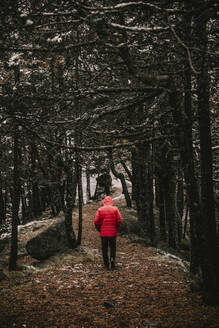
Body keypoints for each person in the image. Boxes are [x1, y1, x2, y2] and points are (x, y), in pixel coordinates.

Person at [94, 196, 122, 270]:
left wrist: (99, 229)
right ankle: (112, 260)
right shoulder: (115, 209)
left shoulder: (100, 210)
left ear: (104, 202)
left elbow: (96, 221)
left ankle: (106, 264)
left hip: (103, 233)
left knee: (104, 248)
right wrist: (117, 228)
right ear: (111, 201)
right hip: (113, 233)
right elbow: (119, 220)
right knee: (113, 247)